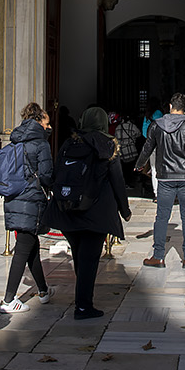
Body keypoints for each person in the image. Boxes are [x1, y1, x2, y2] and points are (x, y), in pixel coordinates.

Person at [48, 106, 132, 320]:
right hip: (95, 210)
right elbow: (117, 181)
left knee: (79, 256)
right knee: (89, 259)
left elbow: (57, 171)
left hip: (68, 209)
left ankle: (82, 297)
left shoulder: (70, 142)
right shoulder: (108, 145)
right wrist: (124, 209)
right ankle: (83, 306)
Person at [136, 92, 185, 268]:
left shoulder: (156, 126)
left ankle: (158, 255)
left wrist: (139, 165)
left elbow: (147, 148)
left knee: (161, 217)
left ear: (169, 107)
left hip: (165, 177)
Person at [0, 102, 55, 313]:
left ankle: (43, 290)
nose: (49, 127)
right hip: (31, 200)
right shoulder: (41, 145)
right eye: (47, 123)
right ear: (39, 122)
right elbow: (47, 175)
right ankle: (8, 299)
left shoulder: (16, 139)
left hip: (15, 198)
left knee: (30, 245)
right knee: (23, 249)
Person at [113, 112, 142, 194]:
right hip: (131, 150)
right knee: (131, 168)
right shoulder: (132, 126)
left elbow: (116, 137)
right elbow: (139, 134)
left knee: (124, 169)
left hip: (122, 151)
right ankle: (131, 183)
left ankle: (124, 183)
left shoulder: (118, 127)